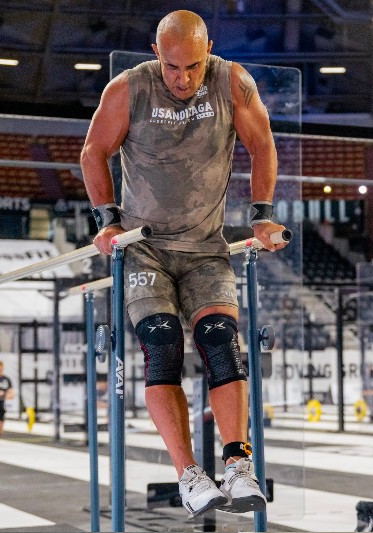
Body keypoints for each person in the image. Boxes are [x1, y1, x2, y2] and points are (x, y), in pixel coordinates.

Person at [80, 10, 286, 519]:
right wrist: (107, 221)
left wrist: (262, 216)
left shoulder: (232, 82)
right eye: (172, 67)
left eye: (193, 66)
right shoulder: (128, 89)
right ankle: (190, 475)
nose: (183, 78)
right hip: (145, 246)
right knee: (163, 343)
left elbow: (262, 143)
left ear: (208, 49)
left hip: (206, 245)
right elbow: (93, 150)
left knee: (220, 341)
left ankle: (238, 464)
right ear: (157, 54)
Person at [0, 360, 14, 437]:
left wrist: (5, 395)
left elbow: (11, 394)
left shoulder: (6, 379)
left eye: (0, 370)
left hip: (2, 402)